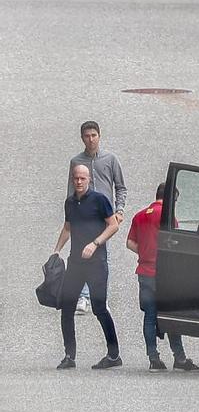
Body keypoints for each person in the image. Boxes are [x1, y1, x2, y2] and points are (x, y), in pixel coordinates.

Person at [126, 183, 199, 372]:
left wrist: (144, 254)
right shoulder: (168, 217)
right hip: (164, 274)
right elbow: (174, 244)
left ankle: (153, 359)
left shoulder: (140, 215)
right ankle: (180, 358)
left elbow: (130, 242)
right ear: (170, 198)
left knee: (150, 316)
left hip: (144, 273)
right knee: (171, 315)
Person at [53, 165, 121, 370]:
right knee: (67, 307)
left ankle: (113, 355)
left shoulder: (99, 200)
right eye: (76, 179)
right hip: (75, 263)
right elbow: (67, 228)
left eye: (83, 178)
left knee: (99, 308)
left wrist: (95, 243)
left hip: (96, 264)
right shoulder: (70, 202)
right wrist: (56, 251)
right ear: (72, 180)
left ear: (89, 179)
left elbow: (113, 225)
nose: (79, 182)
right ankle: (69, 355)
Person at [68, 121, 127, 314]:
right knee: (80, 254)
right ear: (82, 138)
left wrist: (119, 210)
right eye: (87, 136)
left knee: (101, 257)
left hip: (104, 217)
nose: (91, 139)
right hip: (82, 216)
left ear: (99, 136)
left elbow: (120, 187)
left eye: (94, 135)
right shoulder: (76, 162)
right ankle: (83, 297)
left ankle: (100, 298)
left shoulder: (110, 160)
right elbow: (71, 191)